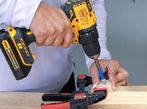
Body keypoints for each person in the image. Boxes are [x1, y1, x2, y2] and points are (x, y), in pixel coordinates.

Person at [0, 0, 128, 92]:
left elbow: (90, 5)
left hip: (62, 88)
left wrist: (99, 58)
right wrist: (28, 9)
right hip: (6, 99)